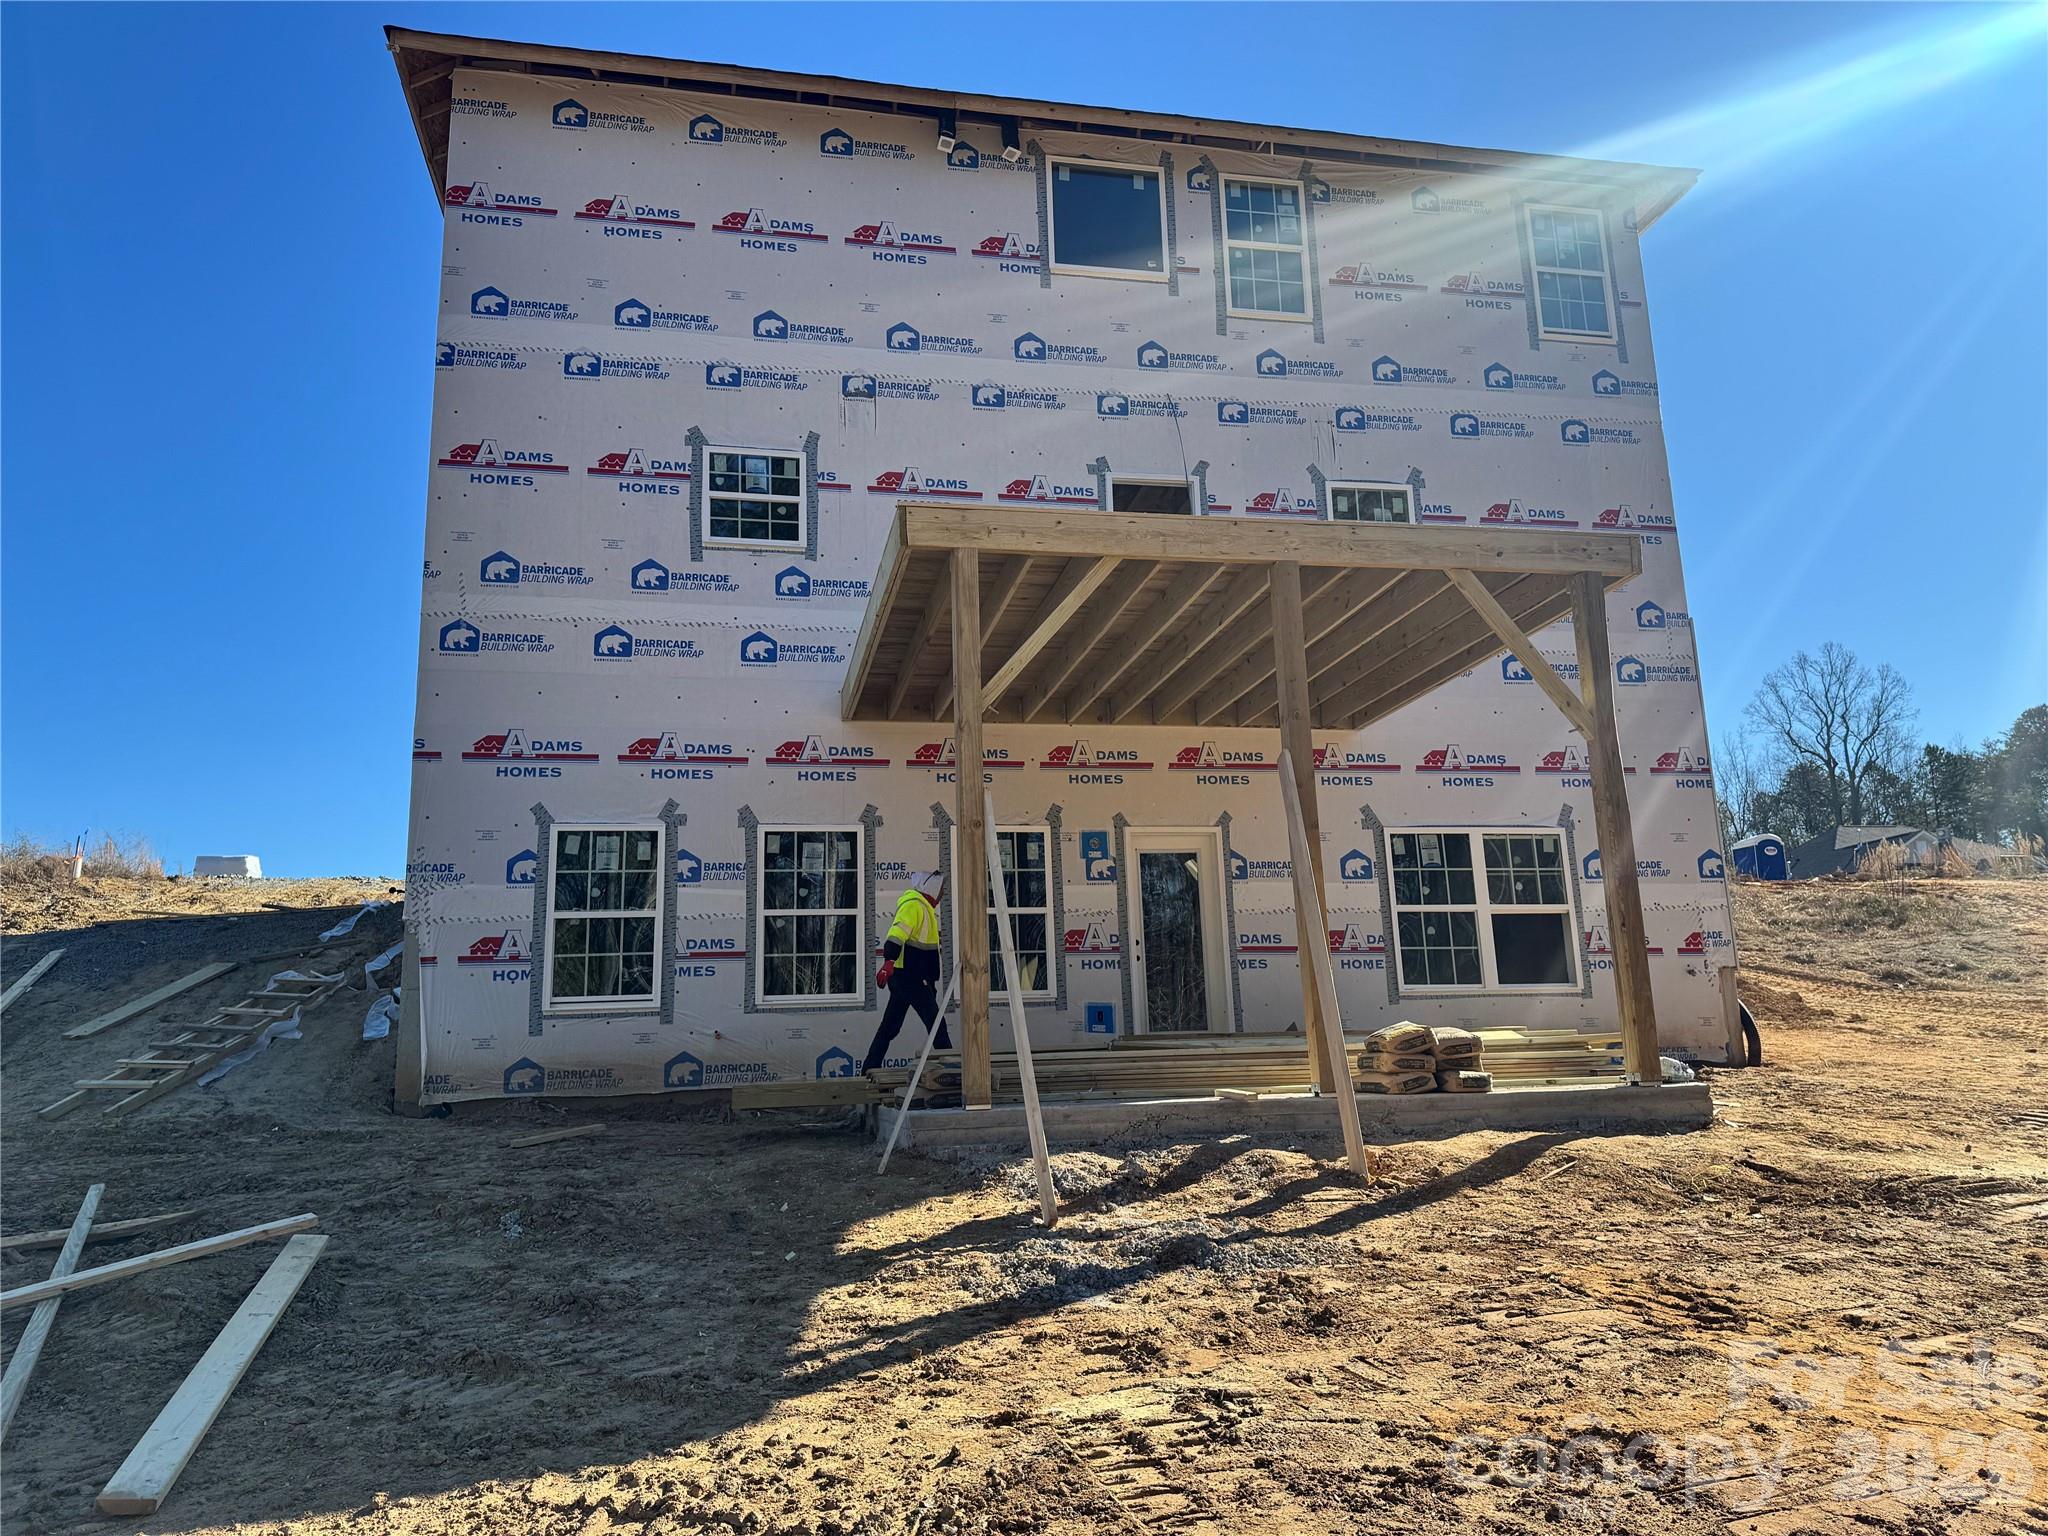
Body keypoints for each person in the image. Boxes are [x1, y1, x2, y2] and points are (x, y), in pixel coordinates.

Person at [861, 870, 951, 1073]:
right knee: (937, 1025)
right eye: (941, 889)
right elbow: (897, 934)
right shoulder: (914, 905)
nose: (943, 893)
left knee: (889, 1027)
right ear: (931, 888)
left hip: (908, 979)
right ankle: (950, 1069)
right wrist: (889, 961)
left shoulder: (925, 909)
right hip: (912, 979)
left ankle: (868, 1069)